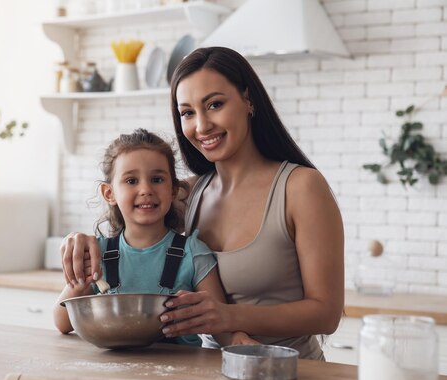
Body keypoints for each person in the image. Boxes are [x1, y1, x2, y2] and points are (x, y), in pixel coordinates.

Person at [60, 47, 344, 359]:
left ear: (249, 100)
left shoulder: (301, 187)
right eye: (187, 113)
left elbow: (326, 314)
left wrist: (228, 316)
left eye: (215, 104)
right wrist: (81, 241)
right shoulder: (186, 194)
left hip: (293, 372)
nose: (202, 125)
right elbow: (129, 223)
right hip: (208, 371)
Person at [53, 128, 247, 346]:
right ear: (110, 193)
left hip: (179, 372)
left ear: (173, 190)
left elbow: (218, 324)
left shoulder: (194, 253)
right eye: (131, 181)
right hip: (114, 373)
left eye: (156, 179)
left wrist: (237, 339)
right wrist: (79, 285)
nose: (146, 189)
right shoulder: (99, 254)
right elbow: (62, 323)